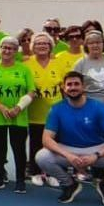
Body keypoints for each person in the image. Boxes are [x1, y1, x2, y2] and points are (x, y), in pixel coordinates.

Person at [36, 72, 104, 206]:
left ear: (83, 87)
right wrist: (68, 155)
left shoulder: (98, 107)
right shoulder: (56, 109)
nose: (73, 87)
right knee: (42, 157)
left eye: (76, 84)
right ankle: (69, 185)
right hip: (69, 149)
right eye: (69, 84)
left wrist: (96, 156)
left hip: (97, 149)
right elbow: (47, 139)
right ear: (64, 88)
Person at [0, 36, 35, 192]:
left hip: (19, 115)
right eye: (4, 47)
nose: (7, 50)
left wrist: (18, 107)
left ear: (16, 51)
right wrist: (1, 108)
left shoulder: (23, 68)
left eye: (11, 48)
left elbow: (31, 91)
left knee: (18, 149)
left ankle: (20, 180)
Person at [23, 33, 73, 186]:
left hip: (55, 112)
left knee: (55, 144)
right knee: (36, 143)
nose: (42, 46)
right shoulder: (26, 64)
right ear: (33, 47)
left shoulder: (58, 63)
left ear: (51, 46)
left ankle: (53, 173)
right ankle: (36, 172)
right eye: (38, 43)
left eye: (45, 43)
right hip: (34, 112)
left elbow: (65, 88)